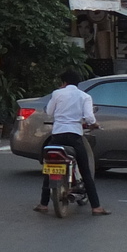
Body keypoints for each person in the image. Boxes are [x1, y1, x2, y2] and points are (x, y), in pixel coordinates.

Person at [37, 70, 108, 216]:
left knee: (49, 167)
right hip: (74, 136)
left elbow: (49, 112)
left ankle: (43, 204)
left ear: (64, 82)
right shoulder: (85, 96)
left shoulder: (57, 93)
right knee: (85, 170)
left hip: (57, 136)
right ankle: (96, 207)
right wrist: (94, 124)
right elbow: (89, 117)